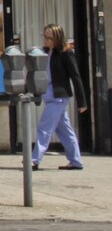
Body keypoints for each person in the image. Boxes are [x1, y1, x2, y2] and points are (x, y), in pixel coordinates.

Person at [32, 23, 87, 172]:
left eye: (50, 38)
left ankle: (34, 160)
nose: (46, 40)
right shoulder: (43, 53)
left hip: (59, 96)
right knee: (64, 130)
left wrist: (82, 102)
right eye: (45, 37)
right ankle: (76, 161)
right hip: (48, 95)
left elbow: (76, 77)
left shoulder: (65, 53)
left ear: (57, 38)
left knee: (44, 127)